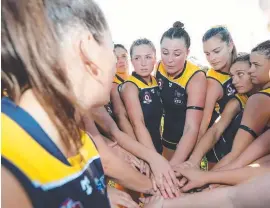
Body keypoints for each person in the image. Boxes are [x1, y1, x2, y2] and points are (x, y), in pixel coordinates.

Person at [1, 0, 136, 207]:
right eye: (111, 48)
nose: (115, 63)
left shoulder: (79, 138)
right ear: (88, 48)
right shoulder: (8, 172)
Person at [183, 54, 256, 168]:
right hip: (231, 158)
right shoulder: (237, 100)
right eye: (232, 76)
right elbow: (216, 129)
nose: (234, 81)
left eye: (240, 74)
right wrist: (193, 160)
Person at [212, 40, 270, 170]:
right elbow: (216, 129)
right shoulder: (241, 99)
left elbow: (237, 156)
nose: (251, 70)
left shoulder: (260, 99)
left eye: (255, 65)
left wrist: (207, 179)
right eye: (232, 76)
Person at [155, 21, 207, 166]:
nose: (169, 60)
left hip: (190, 137)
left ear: (187, 53)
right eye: (165, 52)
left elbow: (192, 127)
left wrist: (172, 168)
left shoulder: (196, 77)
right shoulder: (159, 66)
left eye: (177, 54)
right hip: (167, 133)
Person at [197, 25, 238, 168]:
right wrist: (195, 158)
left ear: (230, 45)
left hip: (244, 139)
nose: (211, 58)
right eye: (207, 54)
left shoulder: (245, 67)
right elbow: (203, 122)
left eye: (216, 51)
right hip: (219, 145)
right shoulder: (213, 81)